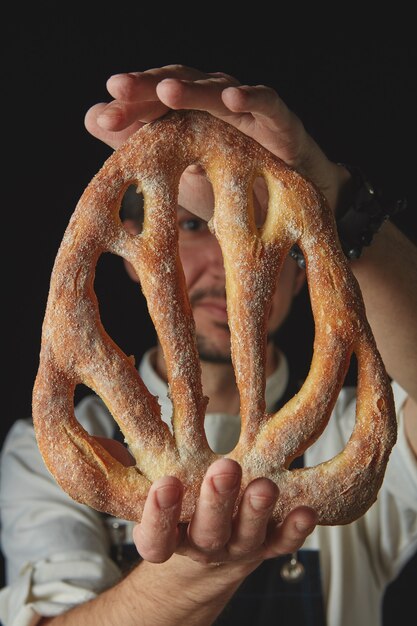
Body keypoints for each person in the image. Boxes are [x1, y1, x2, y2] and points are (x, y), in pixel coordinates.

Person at [0, 64, 416, 626]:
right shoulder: (65, 448)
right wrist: (197, 573)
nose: (227, 260)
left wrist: (337, 204)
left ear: (304, 273)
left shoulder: (347, 430)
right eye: (193, 227)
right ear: (129, 251)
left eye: (262, 232)